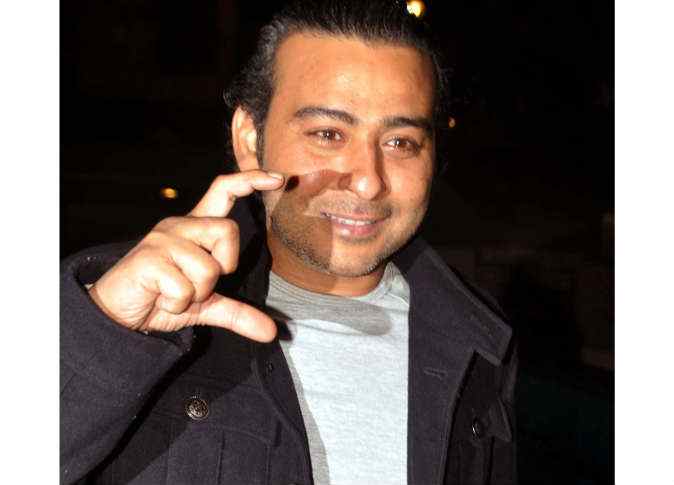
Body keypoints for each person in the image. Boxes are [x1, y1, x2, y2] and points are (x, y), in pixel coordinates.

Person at [60, 1, 517, 484]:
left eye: (400, 142)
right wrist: (104, 339)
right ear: (249, 138)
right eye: (328, 133)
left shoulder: (480, 340)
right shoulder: (120, 308)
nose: (368, 181)